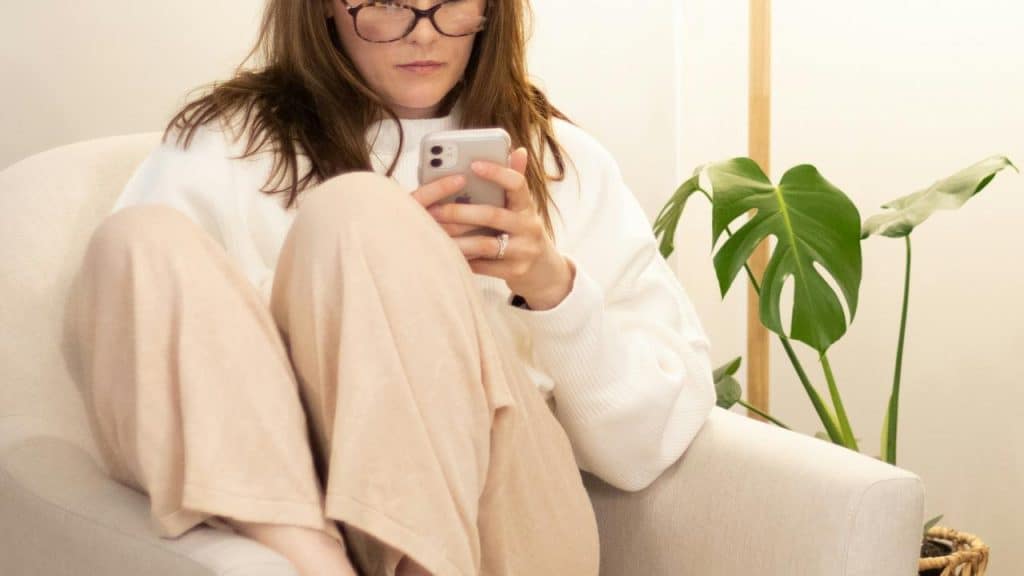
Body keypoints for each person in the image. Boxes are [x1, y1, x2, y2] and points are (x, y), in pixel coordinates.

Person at [66, 1, 716, 575]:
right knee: (136, 240)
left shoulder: (556, 162)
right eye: (385, 3)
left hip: (504, 521)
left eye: (452, 3)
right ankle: (312, 562)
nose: (423, 35)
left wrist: (551, 286)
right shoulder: (228, 147)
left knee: (358, 213)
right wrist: (351, 290)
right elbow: (137, 348)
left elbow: (646, 448)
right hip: (306, 513)